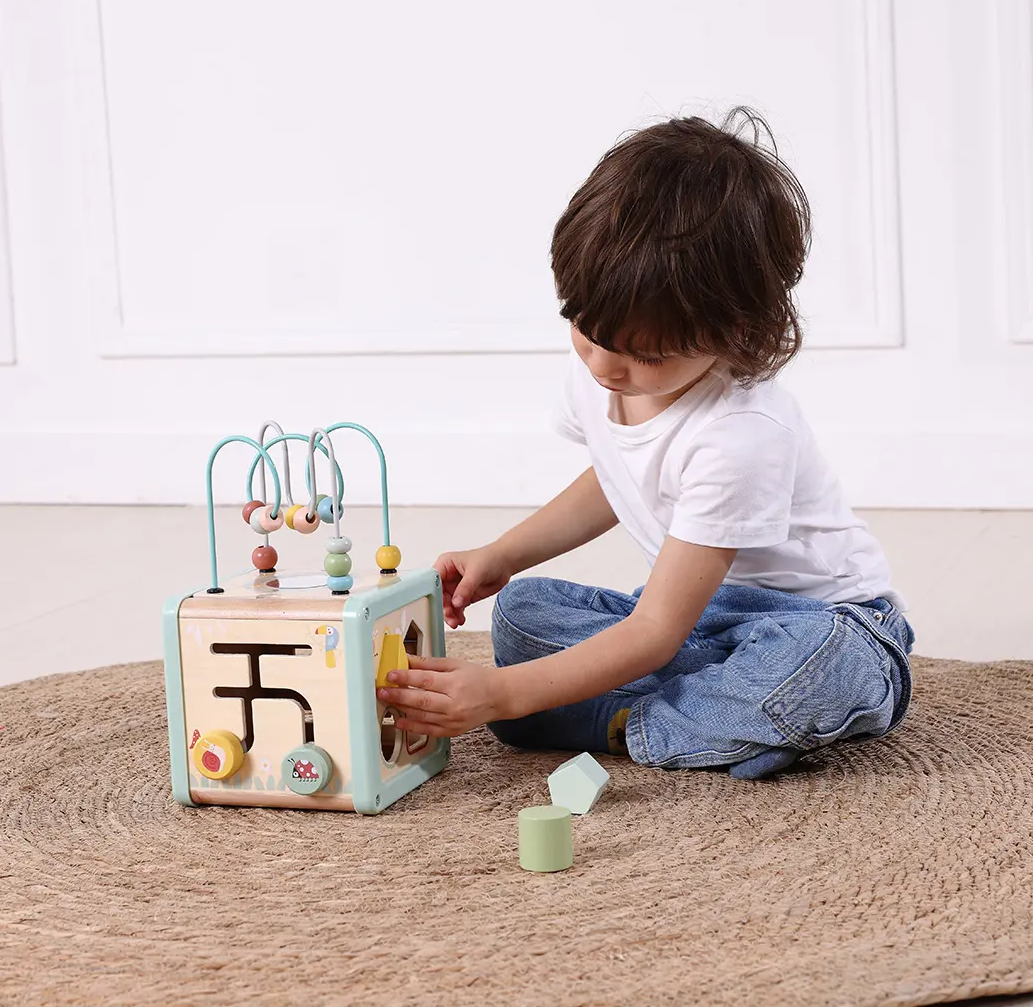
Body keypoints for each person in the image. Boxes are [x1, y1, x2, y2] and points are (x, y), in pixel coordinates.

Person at [376, 107, 914, 779]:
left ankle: (627, 720)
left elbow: (656, 632)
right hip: (701, 623)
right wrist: (504, 553)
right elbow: (615, 475)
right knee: (522, 614)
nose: (605, 367)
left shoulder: (741, 435)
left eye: (647, 355)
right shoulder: (602, 368)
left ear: (737, 334)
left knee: (820, 668)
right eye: (585, 329)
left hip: (820, 623)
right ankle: (714, 721)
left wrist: (505, 695)